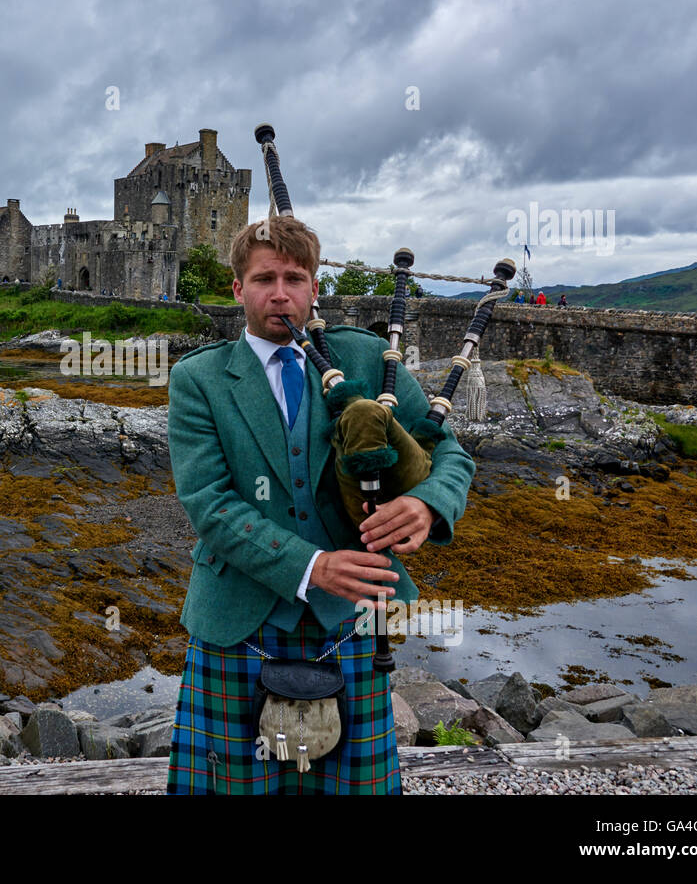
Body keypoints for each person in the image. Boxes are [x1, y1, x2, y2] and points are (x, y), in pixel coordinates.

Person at [165, 215, 475, 794]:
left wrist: (430, 505)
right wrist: (312, 567)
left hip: (354, 619)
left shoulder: (366, 362)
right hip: (238, 617)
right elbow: (210, 504)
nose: (279, 293)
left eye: (294, 278)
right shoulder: (199, 379)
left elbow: (449, 453)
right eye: (263, 279)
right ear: (238, 289)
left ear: (313, 288)